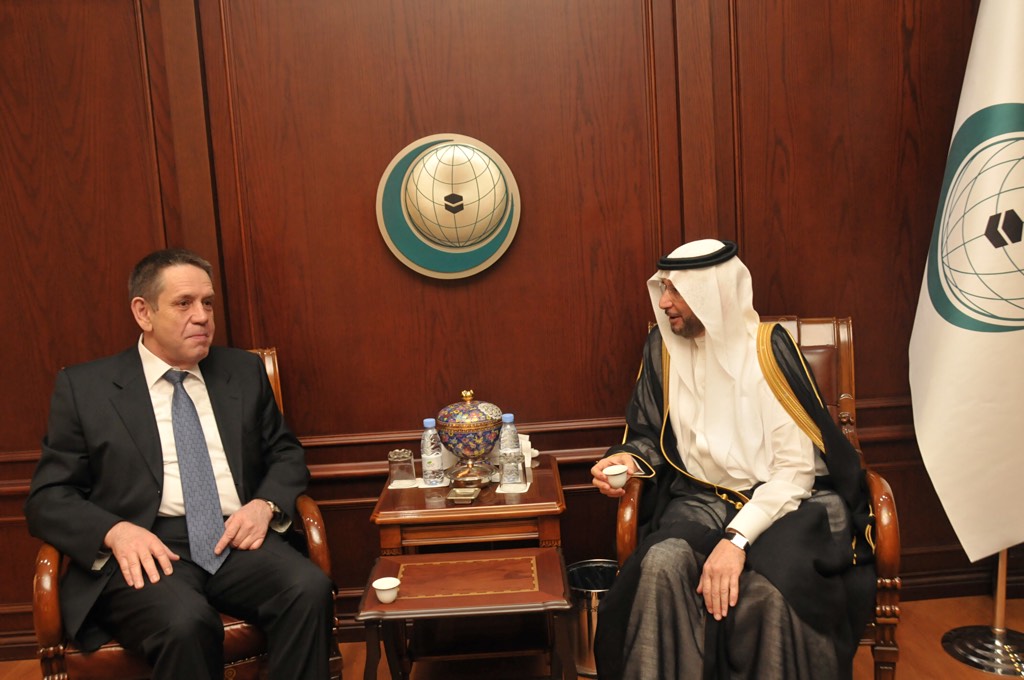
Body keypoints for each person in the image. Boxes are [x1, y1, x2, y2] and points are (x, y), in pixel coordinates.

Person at [25, 248, 334, 679]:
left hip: (234, 535)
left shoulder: (243, 371)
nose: (202, 316)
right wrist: (115, 532)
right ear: (143, 312)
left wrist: (265, 505)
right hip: (147, 546)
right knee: (186, 623)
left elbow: (286, 453)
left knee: (308, 588)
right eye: (184, 303)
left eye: (208, 303)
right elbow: (48, 498)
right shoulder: (86, 388)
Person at [589, 239, 875, 680]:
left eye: (675, 290)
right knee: (660, 567)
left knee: (771, 593)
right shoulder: (663, 348)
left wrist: (736, 542)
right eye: (663, 288)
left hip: (786, 504)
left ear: (713, 292)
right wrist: (628, 460)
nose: (663, 302)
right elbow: (648, 432)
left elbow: (794, 474)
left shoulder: (767, 351)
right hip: (700, 499)